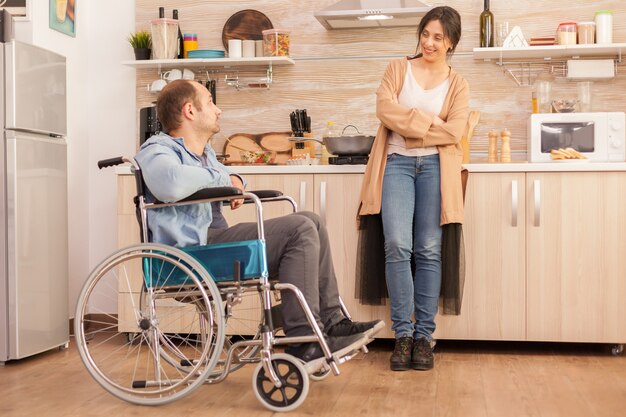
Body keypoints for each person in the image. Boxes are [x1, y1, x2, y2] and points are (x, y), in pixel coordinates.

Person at [135, 79, 382, 362]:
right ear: (190, 110)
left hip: (214, 246)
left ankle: (333, 324)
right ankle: (303, 340)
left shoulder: (205, 156)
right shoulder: (156, 149)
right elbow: (171, 185)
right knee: (299, 228)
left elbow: (226, 180)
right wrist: (225, 179)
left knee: (311, 220)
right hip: (190, 255)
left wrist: (233, 181)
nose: (219, 111)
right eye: (211, 102)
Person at [357, 6, 469, 371]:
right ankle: (403, 334)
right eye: (425, 34)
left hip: (436, 167)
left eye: (438, 37)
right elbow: (384, 110)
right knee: (397, 246)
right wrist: (430, 121)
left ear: (451, 42)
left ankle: (425, 338)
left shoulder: (457, 83)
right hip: (397, 165)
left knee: (429, 249)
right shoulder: (397, 69)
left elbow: (455, 132)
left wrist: (412, 125)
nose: (429, 42)